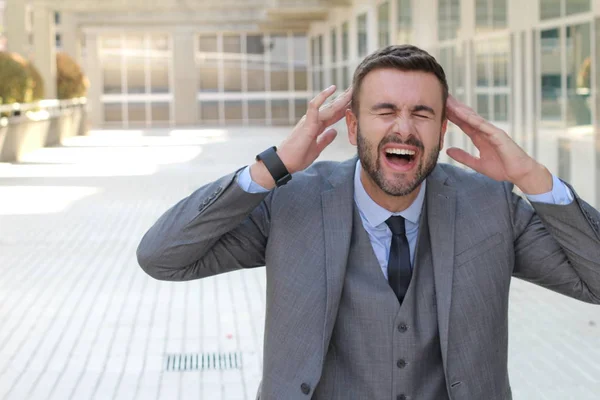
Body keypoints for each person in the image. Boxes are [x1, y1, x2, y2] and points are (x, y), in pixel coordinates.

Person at [136, 45, 600, 400]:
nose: (404, 128)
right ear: (354, 127)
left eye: (422, 113)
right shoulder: (292, 202)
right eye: (385, 111)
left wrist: (533, 178)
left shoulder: (488, 204)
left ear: (442, 131)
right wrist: (269, 168)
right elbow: (162, 256)